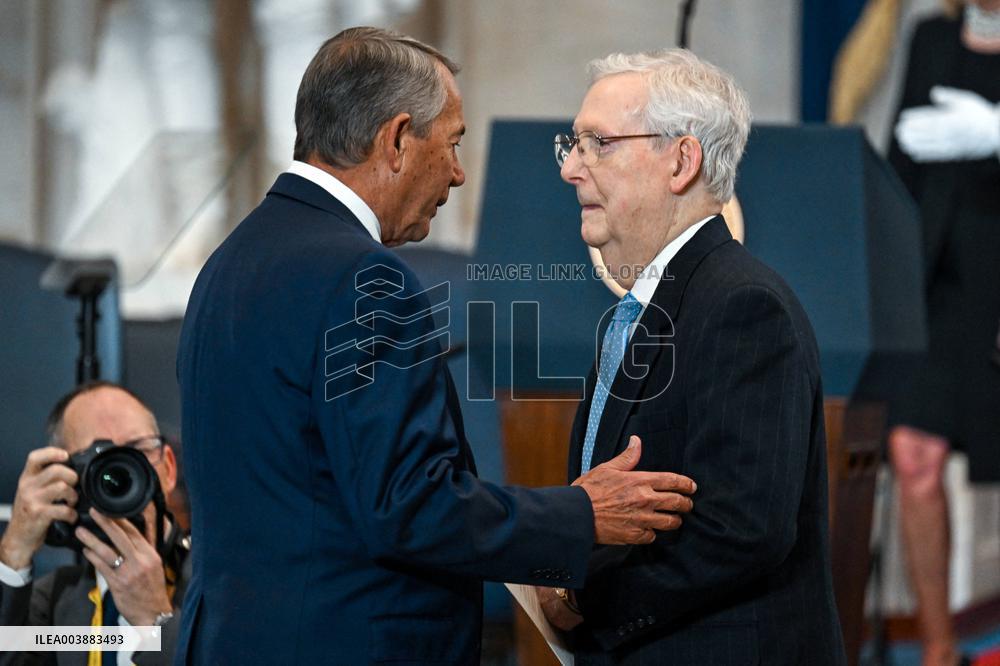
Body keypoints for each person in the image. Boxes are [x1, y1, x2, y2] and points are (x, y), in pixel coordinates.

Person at [175, 27, 698, 665]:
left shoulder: (229, 263)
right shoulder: (362, 277)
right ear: (397, 140)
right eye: (451, 143)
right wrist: (581, 514)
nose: (457, 172)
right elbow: (408, 506)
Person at [538, 48, 846, 664]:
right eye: (571, 144)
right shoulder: (643, 308)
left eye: (599, 144)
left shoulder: (743, 305)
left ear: (681, 161)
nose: (571, 168)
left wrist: (582, 599)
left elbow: (742, 531)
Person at [887, 1, 1000, 664]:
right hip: (938, 288)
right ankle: (938, 649)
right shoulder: (930, 35)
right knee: (914, 455)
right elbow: (901, 162)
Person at [0, 381, 190, 666]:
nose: (120, 472)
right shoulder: (57, 602)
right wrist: (14, 550)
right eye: (98, 459)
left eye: (136, 449)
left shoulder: (217, 588)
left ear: (170, 468)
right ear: (62, 477)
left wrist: (156, 622)